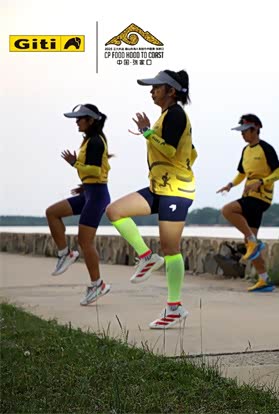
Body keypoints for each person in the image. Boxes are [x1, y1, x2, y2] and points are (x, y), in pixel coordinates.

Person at [106, 70, 196, 329]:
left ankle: (174, 307)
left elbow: (169, 150)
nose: (151, 91)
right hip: (159, 187)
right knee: (114, 211)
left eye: (157, 87)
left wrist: (146, 132)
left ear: (171, 91)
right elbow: (191, 152)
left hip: (176, 190)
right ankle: (146, 256)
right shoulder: (166, 116)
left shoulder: (176, 114)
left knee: (170, 249)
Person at [45, 104, 112, 306]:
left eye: (79, 118)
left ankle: (98, 284)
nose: (76, 122)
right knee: (52, 212)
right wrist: (84, 185)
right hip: (89, 193)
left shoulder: (96, 141)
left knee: (85, 241)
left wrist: (75, 163)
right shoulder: (89, 140)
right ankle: (65, 253)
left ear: (90, 120)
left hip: (97, 196)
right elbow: (96, 171)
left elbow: (95, 170)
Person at [217, 114, 279, 292]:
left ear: (255, 130)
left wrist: (261, 182)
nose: (243, 134)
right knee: (249, 244)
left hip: (261, 198)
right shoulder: (246, 151)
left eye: (245, 131)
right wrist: (230, 185)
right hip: (249, 196)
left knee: (227, 210)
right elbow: (241, 174)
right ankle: (265, 280)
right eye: (241, 132)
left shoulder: (266, 148)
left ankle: (253, 241)